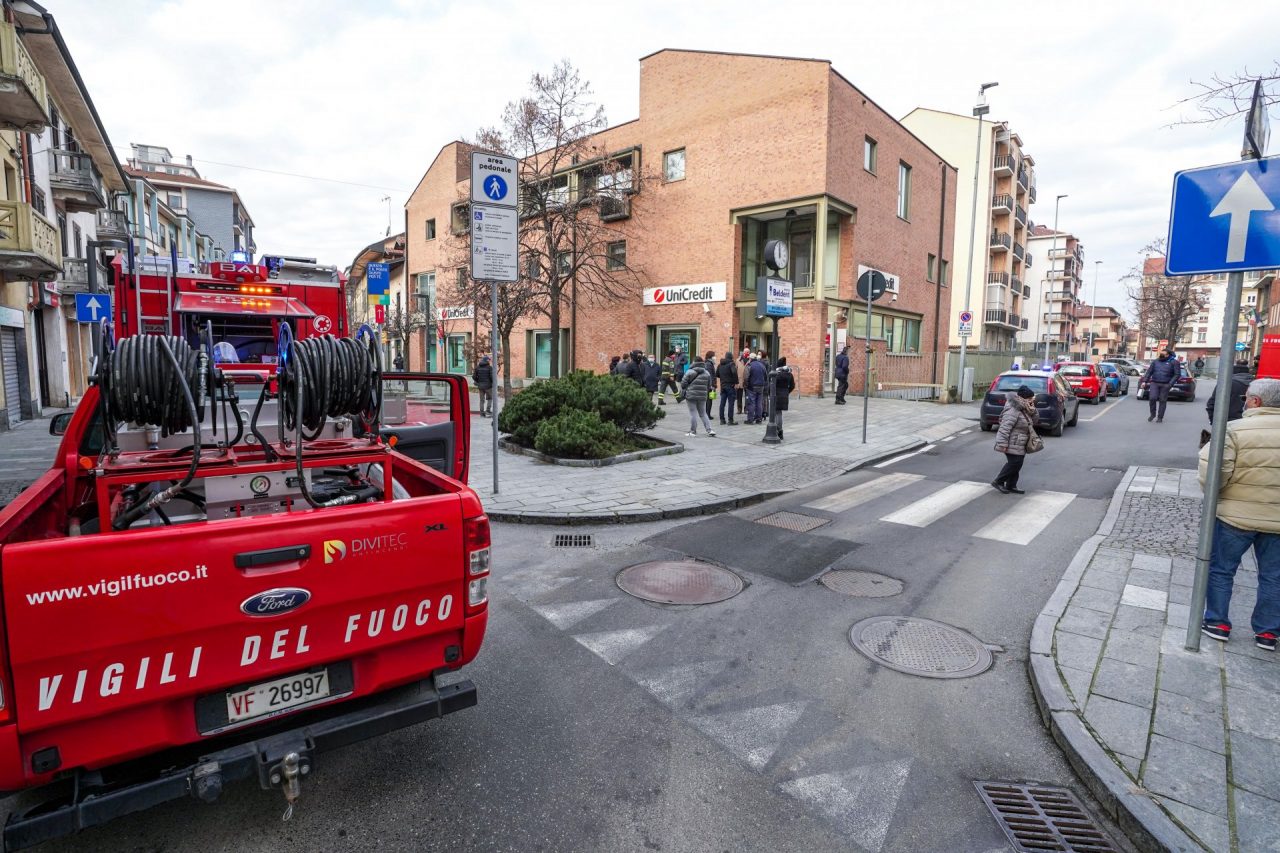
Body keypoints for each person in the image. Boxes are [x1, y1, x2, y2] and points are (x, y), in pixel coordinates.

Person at [1198, 378, 1280, 651]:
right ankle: (1267, 632)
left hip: (1236, 516)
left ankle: (1218, 622)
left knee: (1222, 569)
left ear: (1255, 401)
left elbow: (1214, 476)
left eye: (1246, 397)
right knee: (1273, 576)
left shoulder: (1233, 430)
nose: (1244, 401)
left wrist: (1218, 495)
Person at [991, 385, 1038, 495]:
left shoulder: (1025, 408)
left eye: (1032, 399)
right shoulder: (1013, 409)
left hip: (1020, 441)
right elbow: (1005, 427)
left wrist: (1033, 410)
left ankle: (1011, 485)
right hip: (1012, 441)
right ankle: (998, 481)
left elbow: (1034, 421)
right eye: (1030, 399)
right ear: (1023, 398)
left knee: (1017, 463)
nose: (1032, 400)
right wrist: (1002, 443)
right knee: (1015, 463)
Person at [1142, 349, 1182, 423]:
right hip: (1154, 382)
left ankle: (1160, 417)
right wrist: (1144, 381)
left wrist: (1170, 384)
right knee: (1152, 398)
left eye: (1163, 354)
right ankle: (1152, 414)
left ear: (1168, 355)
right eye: (1161, 353)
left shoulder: (1174, 362)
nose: (1161, 355)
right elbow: (1149, 372)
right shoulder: (1155, 361)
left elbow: (1177, 374)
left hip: (1166, 384)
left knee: (1162, 400)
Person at [679, 357, 715, 437]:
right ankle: (709, 430)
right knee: (703, 413)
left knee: (693, 414)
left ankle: (693, 431)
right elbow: (709, 386)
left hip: (691, 395)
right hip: (702, 396)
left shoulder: (689, 372)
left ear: (694, 362)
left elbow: (683, 384)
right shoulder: (707, 373)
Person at [773, 356, 796, 440]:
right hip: (784, 395)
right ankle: (780, 431)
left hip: (777, 395)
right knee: (779, 413)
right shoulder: (789, 374)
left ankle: (778, 430)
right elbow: (793, 386)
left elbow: (772, 385)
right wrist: (787, 391)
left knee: (777, 413)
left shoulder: (777, 374)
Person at [717, 351, 739, 425]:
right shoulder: (731, 364)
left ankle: (722, 420)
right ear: (731, 357)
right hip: (730, 386)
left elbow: (717, 374)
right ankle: (730, 420)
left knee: (722, 403)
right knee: (731, 403)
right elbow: (734, 373)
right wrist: (736, 382)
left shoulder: (720, 364)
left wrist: (723, 378)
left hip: (723, 386)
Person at [745, 353, 768, 424]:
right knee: (759, 403)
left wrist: (746, 385)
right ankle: (759, 419)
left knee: (751, 403)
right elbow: (765, 376)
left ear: (750, 359)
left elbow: (746, 377)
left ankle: (750, 419)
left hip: (752, 387)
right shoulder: (762, 365)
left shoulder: (749, 365)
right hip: (761, 386)